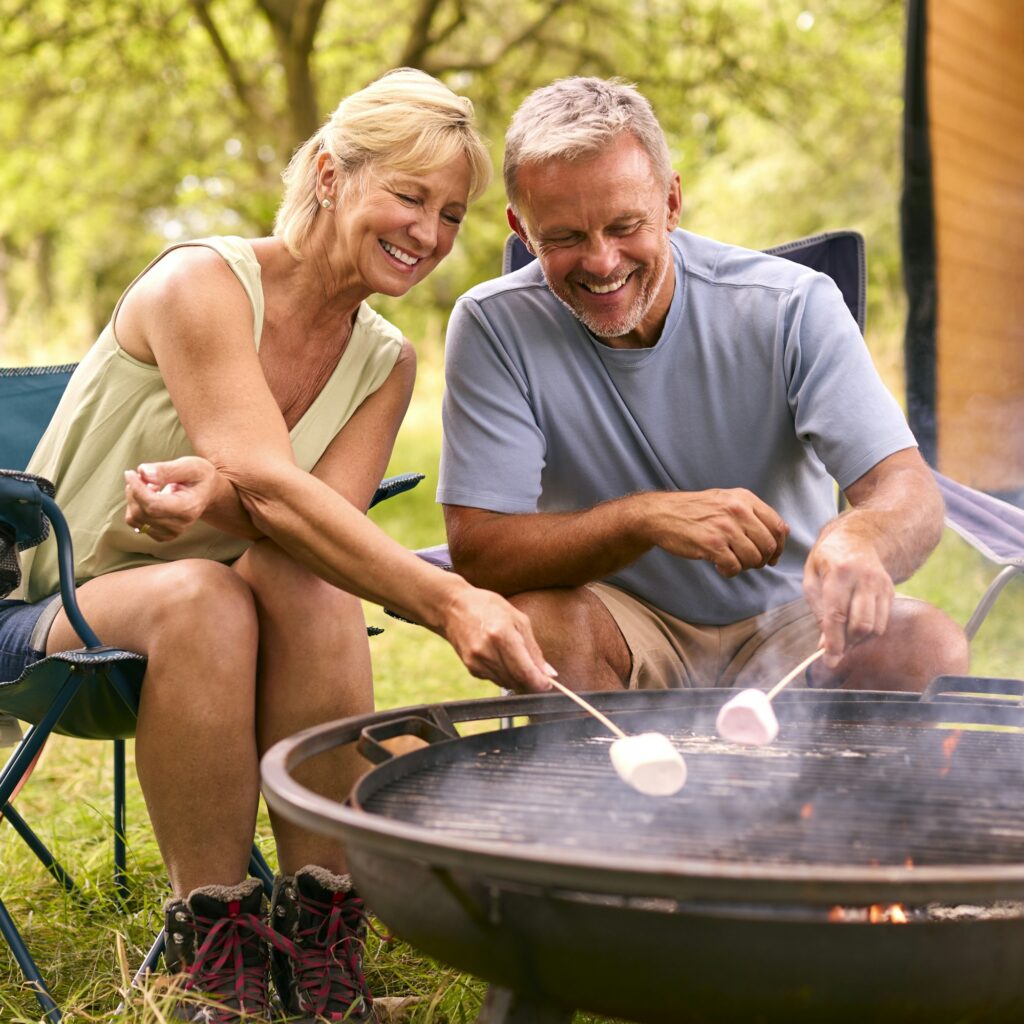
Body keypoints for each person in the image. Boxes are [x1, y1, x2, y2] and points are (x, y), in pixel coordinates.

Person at [1, 69, 553, 1023]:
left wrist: (231, 498)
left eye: (453, 214)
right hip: (57, 607)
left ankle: (319, 932)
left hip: (244, 611)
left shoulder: (387, 359)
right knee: (201, 596)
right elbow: (274, 486)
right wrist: (452, 601)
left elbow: (313, 527)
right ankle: (210, 950)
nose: (429, 233)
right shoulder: (201, 283)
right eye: (410, 196)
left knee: (305, 577)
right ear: (333, 175)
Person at [438, 76, 969, 702]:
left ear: (670, 201)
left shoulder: (791, 305)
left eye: (624, 224)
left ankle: (831, 802)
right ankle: (605, 801)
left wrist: (861, 537)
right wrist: (643, 519)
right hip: (619, 626)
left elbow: (907, 490)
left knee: (926, 645)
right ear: (522, 230)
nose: (602, 262)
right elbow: (481, 551)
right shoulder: (492, 325)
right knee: (542, 627)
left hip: (794, 626)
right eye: (565, 238)